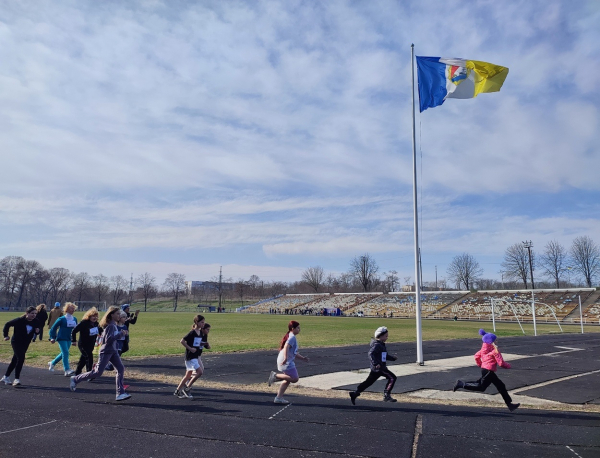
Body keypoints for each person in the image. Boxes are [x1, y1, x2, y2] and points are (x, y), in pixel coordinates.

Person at [69, 306, 131, 401]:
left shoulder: (113, 324)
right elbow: (108, 340)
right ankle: (75, 379)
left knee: (120, 369)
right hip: (106, 351)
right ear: (111, 315)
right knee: (97, 372)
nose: (119, 316)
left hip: (113, 351)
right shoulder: (110, 325)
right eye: (117, 314)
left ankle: (120, 393)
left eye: (119, 314)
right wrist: (120, 334)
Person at [453, 329, 520, 412]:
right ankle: (461, 384)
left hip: (485, 370)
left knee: (500, 385)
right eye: (495, 340)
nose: (497, 341)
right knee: (481, 387)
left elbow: (476, 356)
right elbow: (501, 363)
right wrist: (509, 366)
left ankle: (510, 405)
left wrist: (480, 364)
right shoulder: (495, 351)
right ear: (491, 341)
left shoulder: (483, 349)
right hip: (489, 371)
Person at [349, 326, 398, 404]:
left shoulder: (381, 345)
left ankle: (355, 393)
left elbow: (384, 356)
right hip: (379, 368)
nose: (387, 337)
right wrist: (376, 363)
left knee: (368, 382)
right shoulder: (377, 345)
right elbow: (371, 354)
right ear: (380, 336)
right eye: (386, 336)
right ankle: (386, 395)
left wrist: (393, 358)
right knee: (392, 378)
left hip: (377, 368)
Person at [267, 320, 309, 404]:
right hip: (285, 361)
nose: (299, 329)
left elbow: (294, 352)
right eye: (298, 328)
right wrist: (286, 358)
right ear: (293, 329)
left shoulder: (291, 336)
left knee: (287, 380)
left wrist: (303, 358)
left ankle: (278, 398)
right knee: (294, 378)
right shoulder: (292, 337)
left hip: (284, 360)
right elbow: (286, 346)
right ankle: (275, 375)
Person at [2, 306, 41, 386]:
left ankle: (6, 376)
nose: (34, 315)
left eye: (35, 314)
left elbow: (36, 331)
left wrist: (37, 332)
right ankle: (16, 379)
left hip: (25, 342)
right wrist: (6, 335)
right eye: (32, 313)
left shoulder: (36, 321)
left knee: (15, 359)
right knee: (21, 358)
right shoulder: (20, 320)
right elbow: (7, 324)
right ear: (27, 313)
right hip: (16, 341)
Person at [174, 315, 211, 399]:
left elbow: (197, 343)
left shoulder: (201, 333)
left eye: (203, 322)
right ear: (196, 322)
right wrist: (190, 348)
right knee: (200, 372)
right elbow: (182, 341)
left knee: (187, 375)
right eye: (201, 322)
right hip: (190, 356)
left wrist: (204, 344)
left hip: (195, 355)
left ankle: (177, 391)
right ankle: (187, 388)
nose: (203, 324)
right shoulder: (192, 332)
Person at [49, 302, 78, 376]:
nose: (73, 310)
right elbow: (53, 328)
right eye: (71, 308)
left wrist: (74, 340)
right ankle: (67, 369)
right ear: (67, 309)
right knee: (66, 352)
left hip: (69, 338)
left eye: (73, 308)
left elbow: (75, 330)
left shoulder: (75, 319)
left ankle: (52, 363)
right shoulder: (61, 319)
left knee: (63, 353)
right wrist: (52, 337)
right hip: (61, 338)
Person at [71, 307, 100, 375]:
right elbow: (74, 331)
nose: (95, 318)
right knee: (89, 356)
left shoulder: (96, 324)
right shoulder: (84, 323)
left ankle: (77, 372)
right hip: (83, 344)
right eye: (93, 316)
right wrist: (74, 340)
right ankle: (89, 373)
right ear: (89, 316)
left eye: (96, 316)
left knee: (84, 358)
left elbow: (101, 331)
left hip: (91, 344)